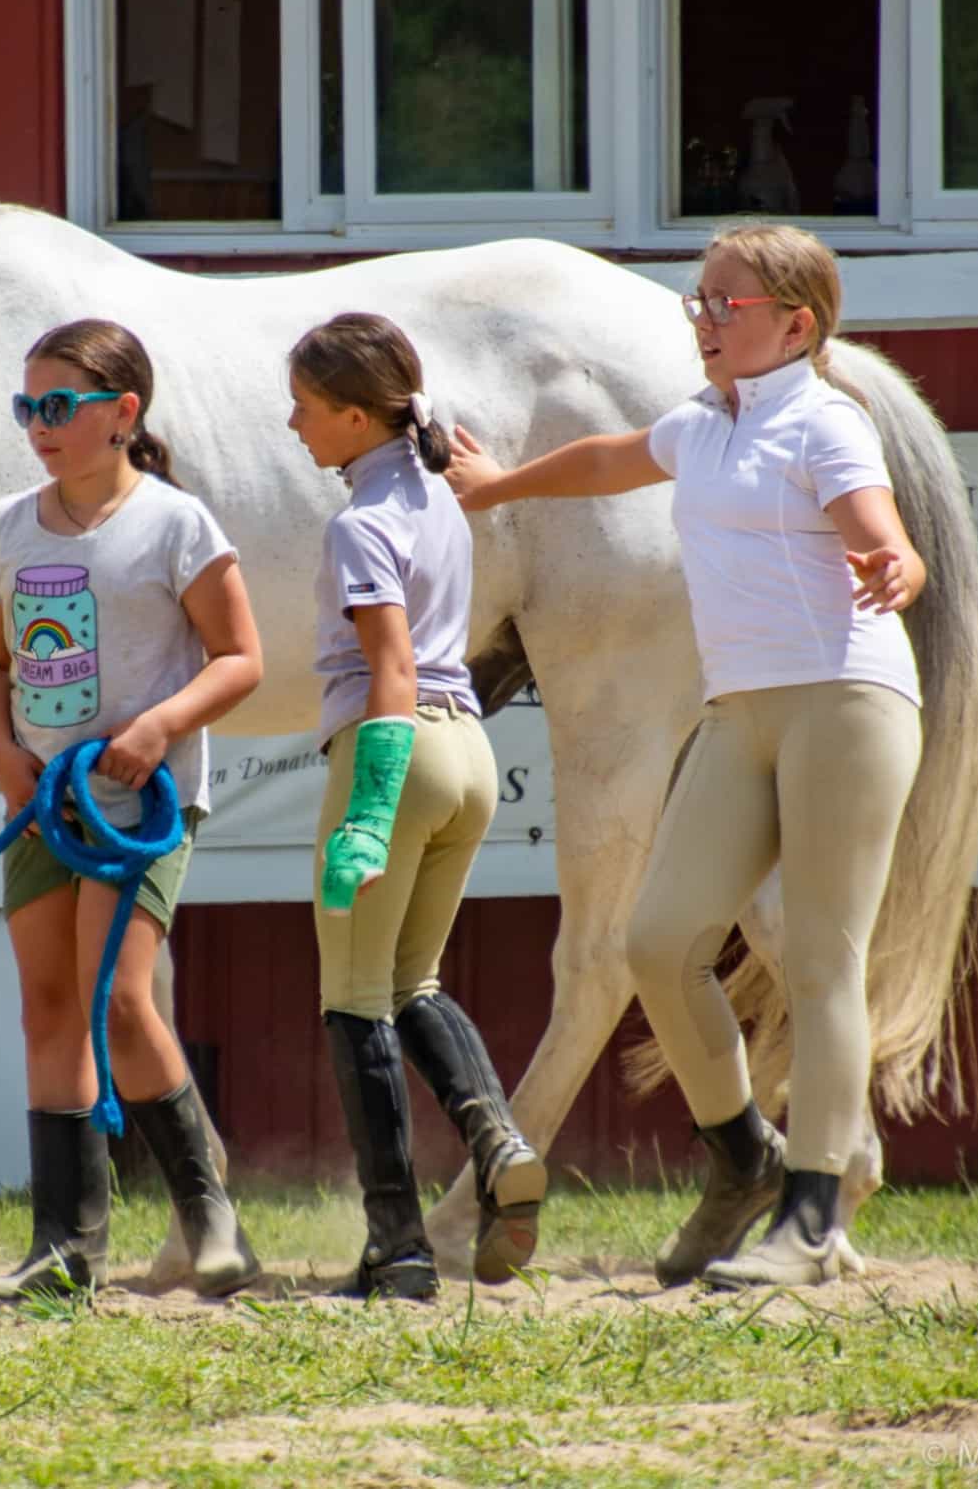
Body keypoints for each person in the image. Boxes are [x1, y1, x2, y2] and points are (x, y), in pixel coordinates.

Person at [443, 223, 926, 1290]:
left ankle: (808, 1220)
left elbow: (872, 519)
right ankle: (744, 1151)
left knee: (817, 960)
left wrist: (892, 559)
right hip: (739, 710)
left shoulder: (822, 420)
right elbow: (610, 460)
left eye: (725, 306)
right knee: (657, 941)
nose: (701, 322)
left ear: (794, 325)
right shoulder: (703, 423)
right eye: (696, 302)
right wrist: (495, 485)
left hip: (842, 702)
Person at [0, 318, 264, 1299]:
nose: (37, 427)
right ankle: (65, 1248)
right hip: (44, 802)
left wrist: (154, 729)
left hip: (137, 802)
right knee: (49, 1006)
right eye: (26, 408)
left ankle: (210, 1219)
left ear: (121, 414)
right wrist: (6, 757)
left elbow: (240, 659)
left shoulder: (175, 525)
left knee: (119, 1000)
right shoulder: (4, 527)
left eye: (58, 406)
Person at [289, 311, 546, 1301]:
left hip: (393, 747)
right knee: (414, 981)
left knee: (352, 999)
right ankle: (495, 1134)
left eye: (307, 409)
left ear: (355, 417)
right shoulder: (437, 492)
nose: (295, 424)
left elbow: (387, 668)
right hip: (469, 752)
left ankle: (395, 1245)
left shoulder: (359, 521)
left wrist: (365, 806)